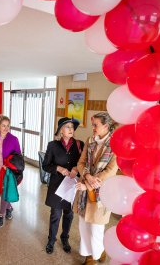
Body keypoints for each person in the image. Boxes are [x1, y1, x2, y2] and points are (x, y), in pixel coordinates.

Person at [73, 112, 118, 265]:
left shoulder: (115, 144)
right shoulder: (90, 141)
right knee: (83, 224)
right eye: (93, 125)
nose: (93, 128)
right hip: (85, 188)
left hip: (102, 191)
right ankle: (89, 256)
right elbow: (81, 163)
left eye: (95, 125)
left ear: (106, 126)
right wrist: (87, 176)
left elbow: (111, 170)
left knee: (96, 226)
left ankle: (98, 252)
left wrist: (92, 181)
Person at [42, 117, 84, 254]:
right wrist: (59, 169)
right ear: (61, 131)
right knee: (55, 213)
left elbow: (84, 163)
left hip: (71, 185)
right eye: (67, 127)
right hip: (56, 185)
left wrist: (76, 169)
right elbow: (46, 165)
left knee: (69, 213)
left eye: (72, 127)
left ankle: (64, 238)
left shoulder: (79, 145)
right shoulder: (52, 145)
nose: (71, 129)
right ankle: (51, 240)